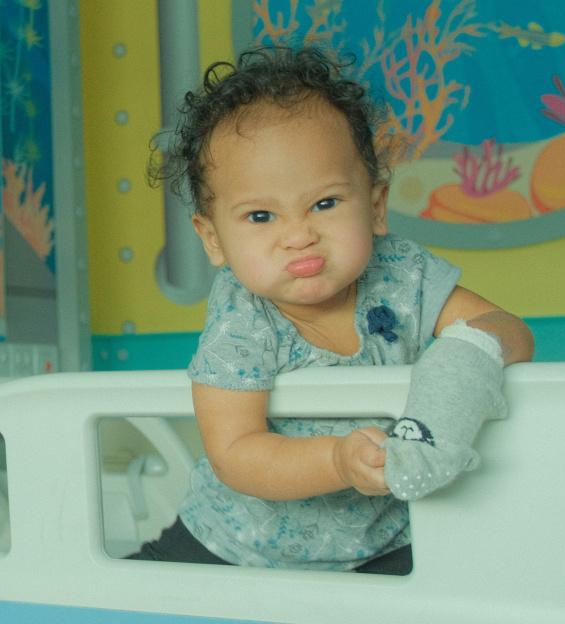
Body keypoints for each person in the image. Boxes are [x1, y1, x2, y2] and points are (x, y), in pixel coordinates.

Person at [132, 45, 534, 574]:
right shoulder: (243, 315)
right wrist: (337, 460)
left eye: (325, 204)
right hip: (235, 544)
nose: (299, 235)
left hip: (385, 543)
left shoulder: (402, 274)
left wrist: (464, 356)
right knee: (126, 593)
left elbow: (507, 330)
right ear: (213, 239)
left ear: (374, 206)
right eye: (260, 215)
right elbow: (236, 451)